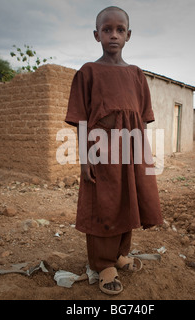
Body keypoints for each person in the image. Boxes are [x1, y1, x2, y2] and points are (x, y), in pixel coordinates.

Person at [64, 6, 163, 295]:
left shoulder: (136, 74)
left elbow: (142, 118)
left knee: (129, 199)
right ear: (97, 35)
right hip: (101, 149)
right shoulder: (88, 72)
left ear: (128, 35)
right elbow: (81, 118)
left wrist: (145, 154)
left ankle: (120, 253)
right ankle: (103, 263)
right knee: (104, 203)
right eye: (107, 30)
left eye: (120, 30)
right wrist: (85, 158)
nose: (114, 35)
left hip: (132, 149)